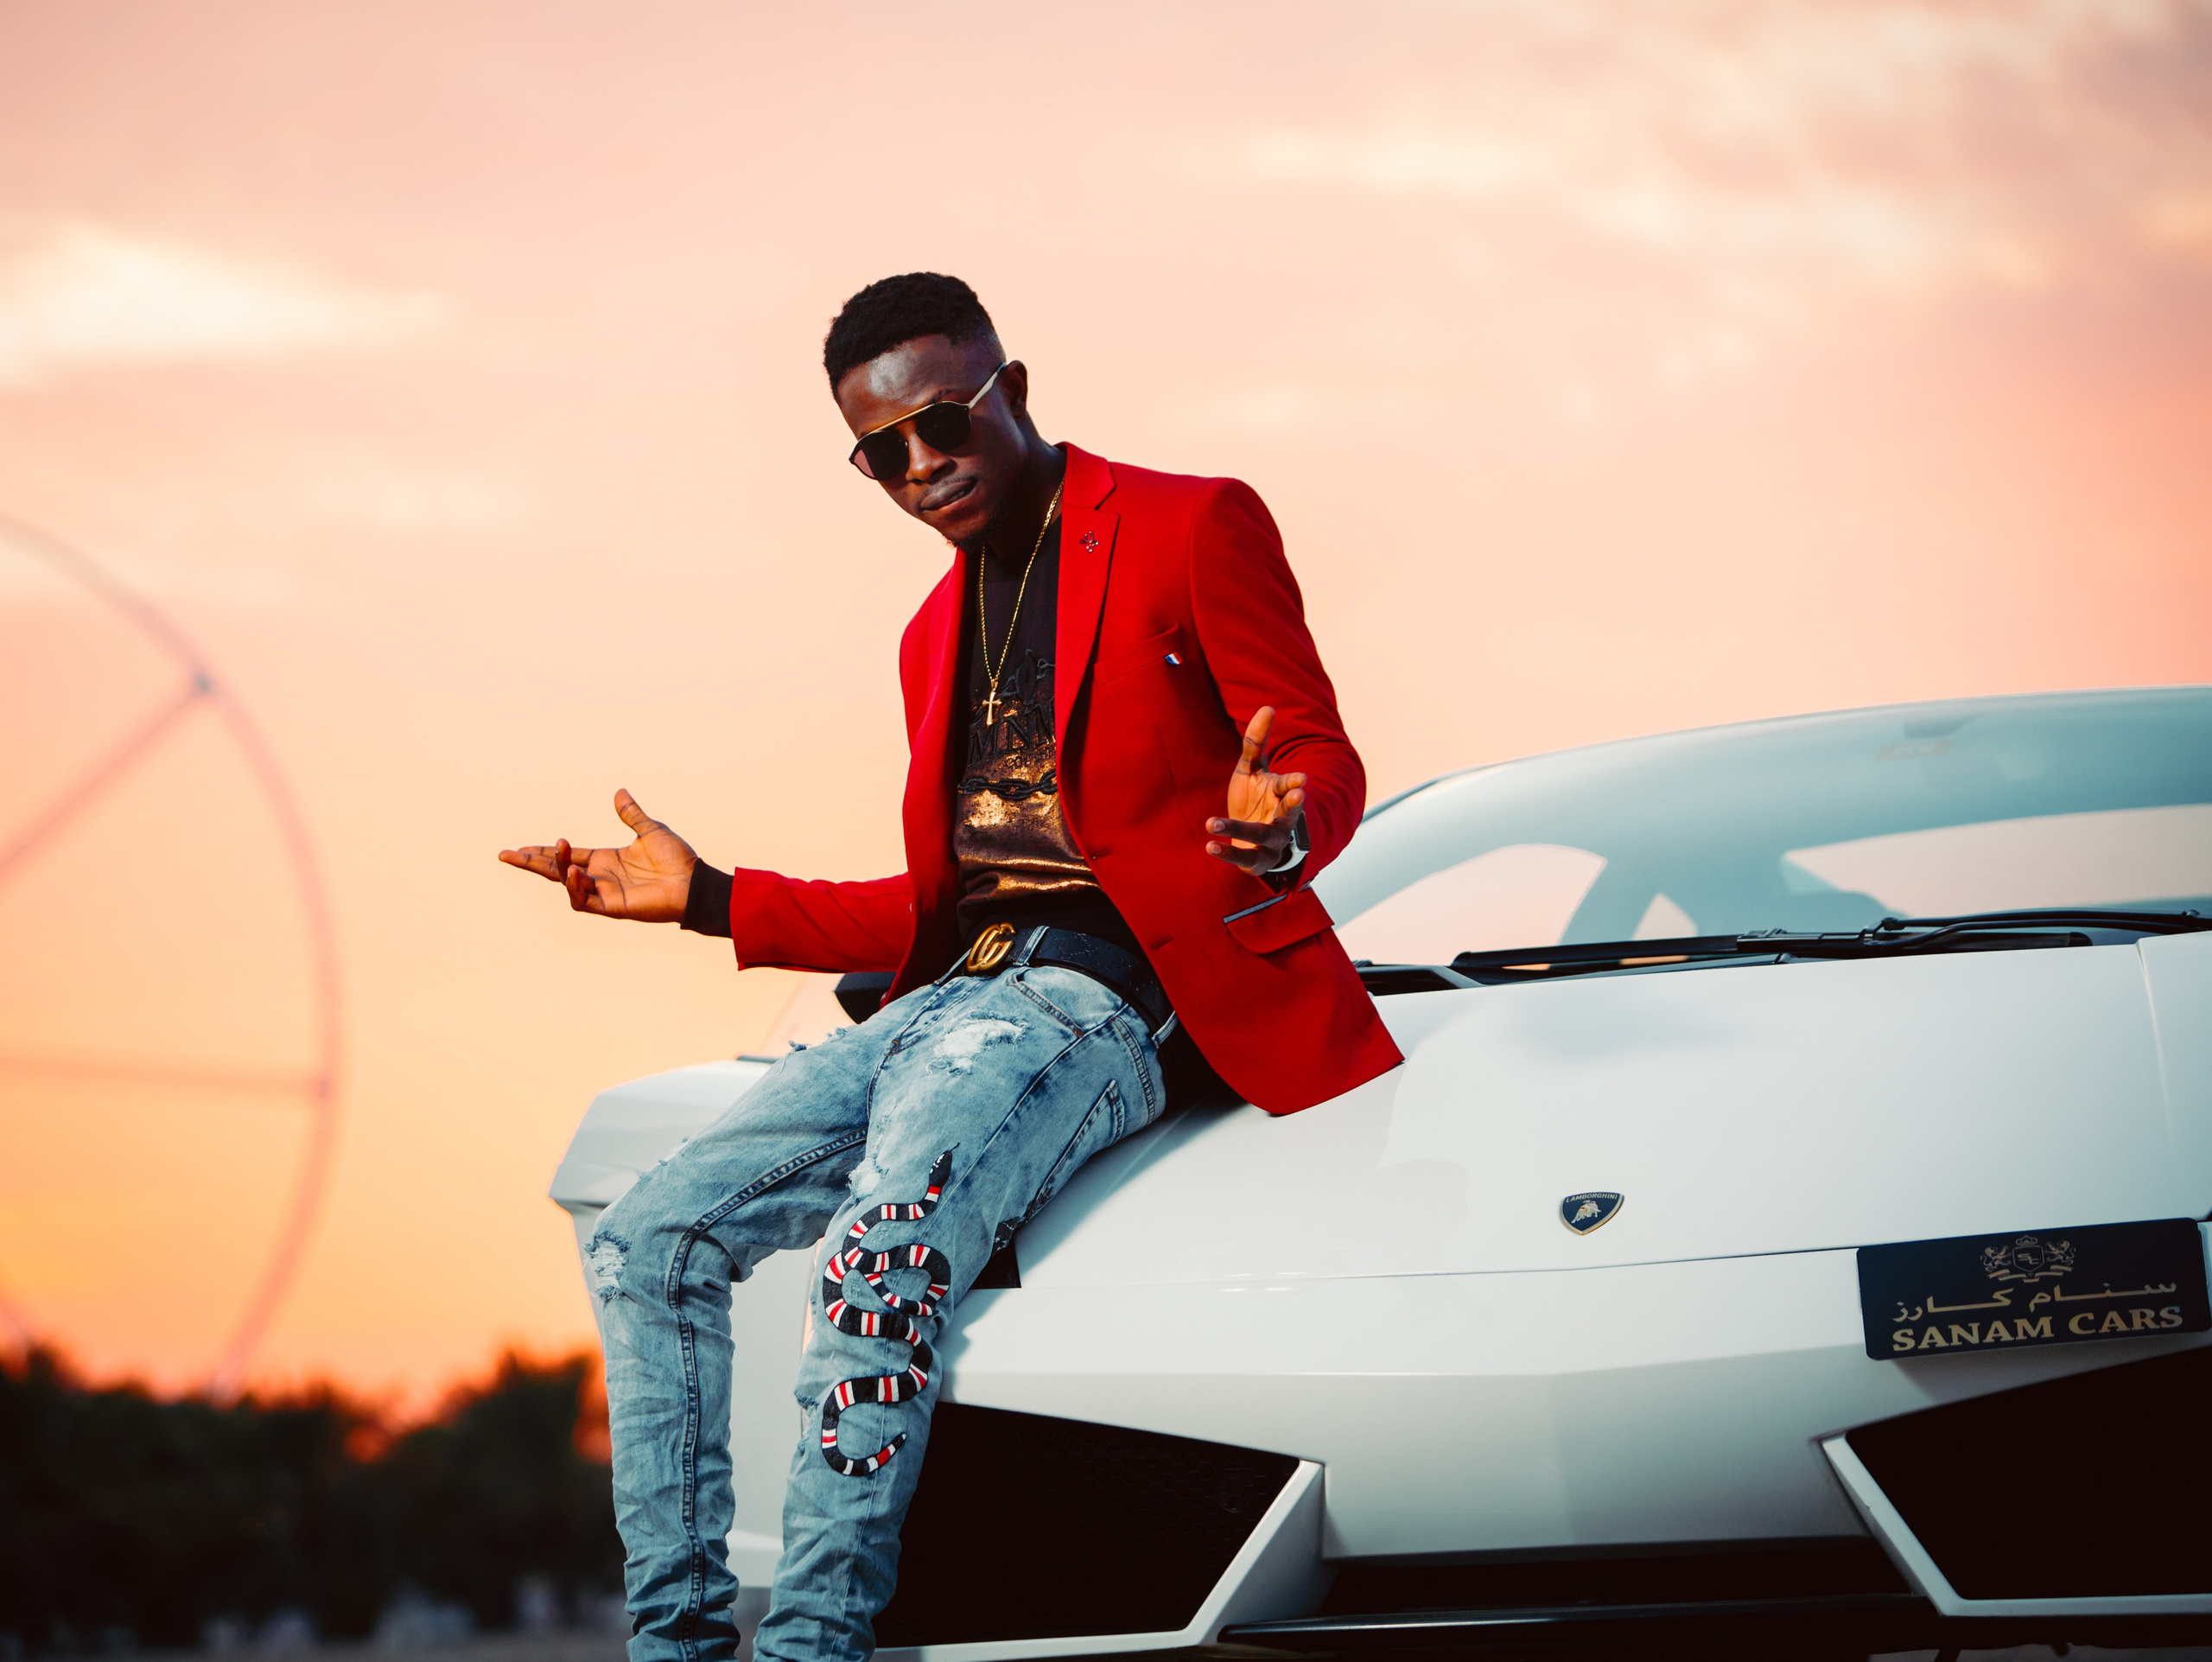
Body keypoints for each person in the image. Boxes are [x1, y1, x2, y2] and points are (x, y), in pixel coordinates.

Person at [499, 272, 1401, 1662]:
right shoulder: (932, 634)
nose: (923, 469)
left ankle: (814, 1646)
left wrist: (1280, 834)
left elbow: (1318, 757)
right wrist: (711, 900)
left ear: (1014, 391)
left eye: (944, 425)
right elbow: (934, 910)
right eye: (882, 453)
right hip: (950, 999)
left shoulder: (1186, 522)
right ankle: (676, 1646)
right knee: (647, 1236)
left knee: (878, 1253)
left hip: (1099, 1000)